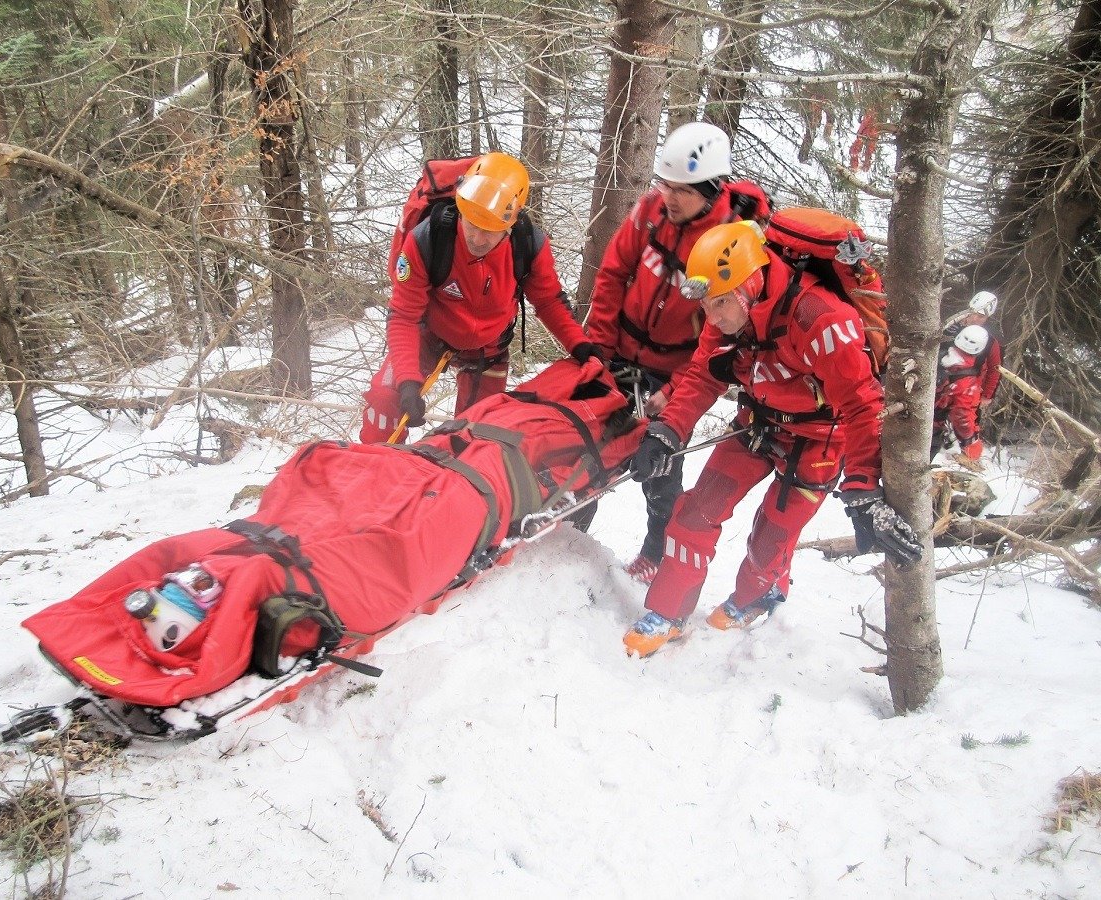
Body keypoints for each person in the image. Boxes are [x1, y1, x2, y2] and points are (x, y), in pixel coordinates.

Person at [620, 220, 922, 658]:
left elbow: (863, 407)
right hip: (758, 424)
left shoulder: (821, 320)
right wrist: (666, 432)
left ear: (751, 282)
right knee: (695, 512)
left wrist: (863, 489)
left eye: (721, 303)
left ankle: (756, 596)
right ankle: (669, 612)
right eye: (707, 305)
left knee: (772, 535)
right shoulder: (725, 318)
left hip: (820, 439)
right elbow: (702, 375)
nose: (715, 317)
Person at [583, 122, 771, 585]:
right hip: (621, 350)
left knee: (659, 465)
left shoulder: (732, 240)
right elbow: (610, 277)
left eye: (682, 190)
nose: (668, 196)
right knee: (589, 443)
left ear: (711, 190)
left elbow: (722, 336)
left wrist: (674, 389)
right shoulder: (650, 213)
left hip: (677, 367)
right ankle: (572, 531)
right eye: (665, 184)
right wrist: (599, 353)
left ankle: (655, 546)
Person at [360, 152, 602, 443]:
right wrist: (408, 382)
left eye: (490, 231)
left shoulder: (528, 245)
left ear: (510, 225)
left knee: (477, 436)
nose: (477, 239)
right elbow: (404, 316)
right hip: (429, 333)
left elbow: (549, 301)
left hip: (488, 346)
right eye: (471, 224)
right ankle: (375, 473)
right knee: (385, 402)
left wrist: (581, 345)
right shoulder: (429, 239)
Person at [931, 325, 990, 461]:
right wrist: (970, 442)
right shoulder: (966, 383)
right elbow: (962, 415)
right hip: (927, 425)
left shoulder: (937, 354)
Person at [942, 290, 1003, 412]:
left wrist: (987, 395)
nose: (975, 318)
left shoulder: (989, 341)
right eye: (974, 313)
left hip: (968, 393)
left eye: (981, 316)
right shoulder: (949, 329)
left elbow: (995, 369)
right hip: (940, 388)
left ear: (987, 318)